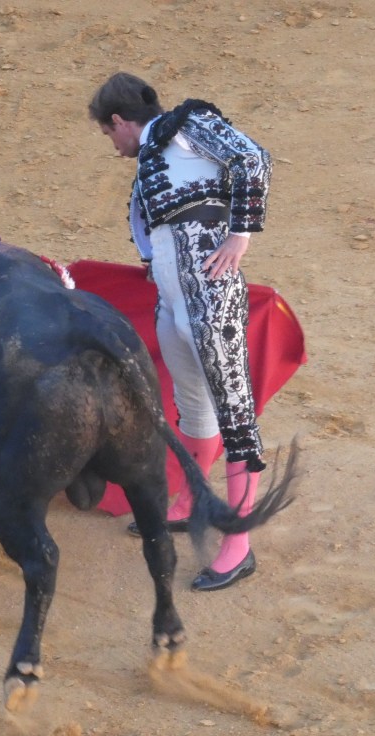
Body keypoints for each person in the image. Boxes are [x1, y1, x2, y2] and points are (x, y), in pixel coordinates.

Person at [88, 72, 273, 592]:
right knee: (195, 409)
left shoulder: (189, 125)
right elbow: (149, 232)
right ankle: (193, 499)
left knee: (235, 416)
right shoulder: (151, 160)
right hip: (173, 305)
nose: (113, 145)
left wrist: (240, 236)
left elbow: (253, 159)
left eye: (108, 133)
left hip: (212, 300)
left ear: (120, 121)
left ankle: (238, 545)